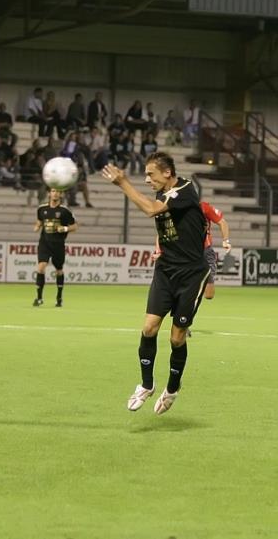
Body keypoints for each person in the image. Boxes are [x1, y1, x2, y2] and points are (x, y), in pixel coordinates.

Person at [102, 152, 209, 415]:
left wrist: (123, 182)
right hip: (165, 271)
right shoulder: (163, 193)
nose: (147, 179)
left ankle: (172, 388)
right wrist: (159, 247)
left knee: (177, 338)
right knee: (149, 328)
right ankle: (146, 385)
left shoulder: (185, 190)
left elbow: (151, 210)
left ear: (167, 173)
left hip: (191, 274)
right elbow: (165, 224)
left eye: (151, 174)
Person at [33, 188, 78, 308]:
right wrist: (37, 226)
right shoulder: (42, 209)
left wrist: (65, 228)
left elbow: (75, 226)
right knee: (41, 267)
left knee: (59, 270)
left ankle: (59, 297)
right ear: (49, 193)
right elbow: (39, 221)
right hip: (44, 243)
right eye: (53, 191)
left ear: (61, 194)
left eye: (58, 191)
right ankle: (39, 298)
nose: (55, 193)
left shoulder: (65, 211)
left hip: (58, 244)